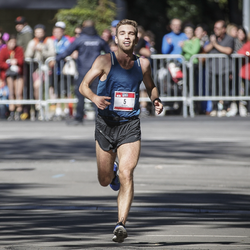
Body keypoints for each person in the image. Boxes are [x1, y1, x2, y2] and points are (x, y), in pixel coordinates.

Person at [78, 19, 163, 243]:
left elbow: (150, 85)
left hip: (130, 125)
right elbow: (83, 86)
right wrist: (95, 97)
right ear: (115, 38)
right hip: (106, 125)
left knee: (128, 173)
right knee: (105, 180)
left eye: (131, 33)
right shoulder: (105, 60)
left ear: (136, 38)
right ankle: (112, 174)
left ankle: (121, 224)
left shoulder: (142, 64)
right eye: (122, 33)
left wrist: (156, 99)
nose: (126, 36)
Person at [56, 20, 110, 125]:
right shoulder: (99, 40)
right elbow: (109, 53)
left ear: (84, 27)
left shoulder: (80, 39)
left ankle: (79, 118)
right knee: (96, 93)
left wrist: (56, 59)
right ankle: (99, 117)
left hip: (83, 70)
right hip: (96, 71)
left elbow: (67, 51)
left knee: (80, 93)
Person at [203, 20, 234, 117]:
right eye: (215, 28)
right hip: (213, 69)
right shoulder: (213, 38)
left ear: (224, 29)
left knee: (225, 89)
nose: (215, 30)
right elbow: (205, 50)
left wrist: (215, 44)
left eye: (218, 28)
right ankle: (215, 108)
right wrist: (212, 43)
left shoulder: (229, 39)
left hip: (224, 69)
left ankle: (225, 107)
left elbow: (228, 51)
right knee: (213, 89)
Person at [25, 24, 56, 119]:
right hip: (37, 70)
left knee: (50, 88)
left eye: (40, 32)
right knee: (37, 86)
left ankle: (52, 108)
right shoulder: (32, 42)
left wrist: (42, 49)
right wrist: (33, 50)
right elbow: (27, 56)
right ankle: (38, 106)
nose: (38, 34)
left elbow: (52, 53)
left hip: (48, 69)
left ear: (44, 32)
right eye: (37, 32)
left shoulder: (49, 41)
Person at [0, 34, 26, 121]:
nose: (13, 44)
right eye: (11, 42)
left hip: (18, 74)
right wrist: (8, 63)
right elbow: (0, 63)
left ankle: (19, 110)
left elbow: (22, 60)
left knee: (18, 92)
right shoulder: (4, 50)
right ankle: (11, 111)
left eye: (14, 42)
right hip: (9, 74)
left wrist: (16, 61)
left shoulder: (19, 49)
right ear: (8, 42)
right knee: (11, 93)